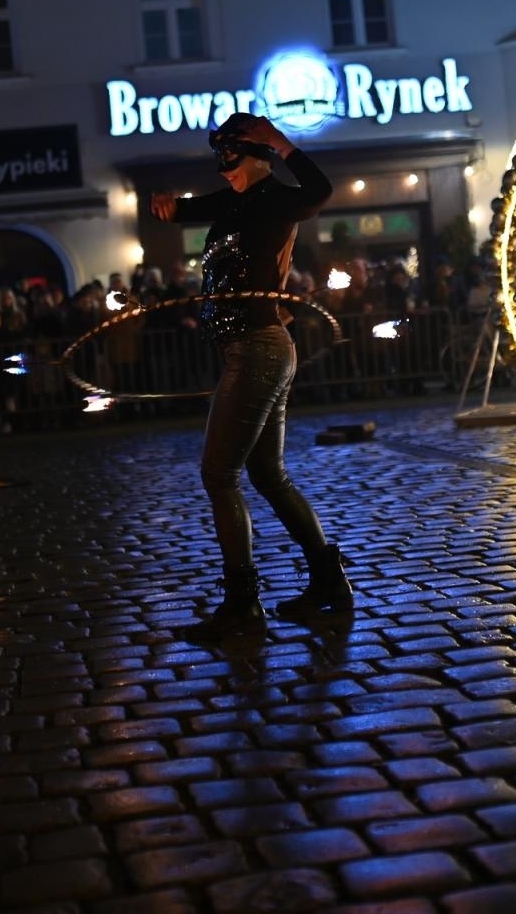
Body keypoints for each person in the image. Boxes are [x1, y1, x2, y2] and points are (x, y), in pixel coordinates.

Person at [150, 112, 350, 641]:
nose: (223, 171)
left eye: (231, 159)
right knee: (267, 475)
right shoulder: (232, 203)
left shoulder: (280, 198)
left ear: (257, 155)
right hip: (251, 349)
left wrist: (282, 142)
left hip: (257, 349)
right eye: (219, 162)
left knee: (219, 475)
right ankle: (329, 584)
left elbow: (320, 188)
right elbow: (182, 212)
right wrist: (165, 204)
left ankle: (243, 604)